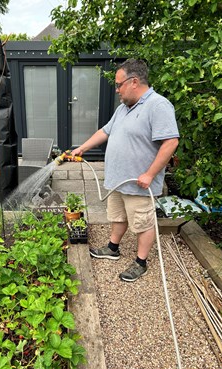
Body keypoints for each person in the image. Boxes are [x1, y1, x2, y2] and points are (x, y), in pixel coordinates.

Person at [71, 58, 179, 282]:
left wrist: (149, 174)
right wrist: (81, 147)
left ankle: (141, 262)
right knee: (118, 215)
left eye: (119, 84)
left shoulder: (158, 106)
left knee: (142, 222)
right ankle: (113, 247)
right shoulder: (123, 108)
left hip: (139, 183)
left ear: (134, 82)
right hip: (118, 180)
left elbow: (171, 142)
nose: (117, 89)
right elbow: (105, 132)